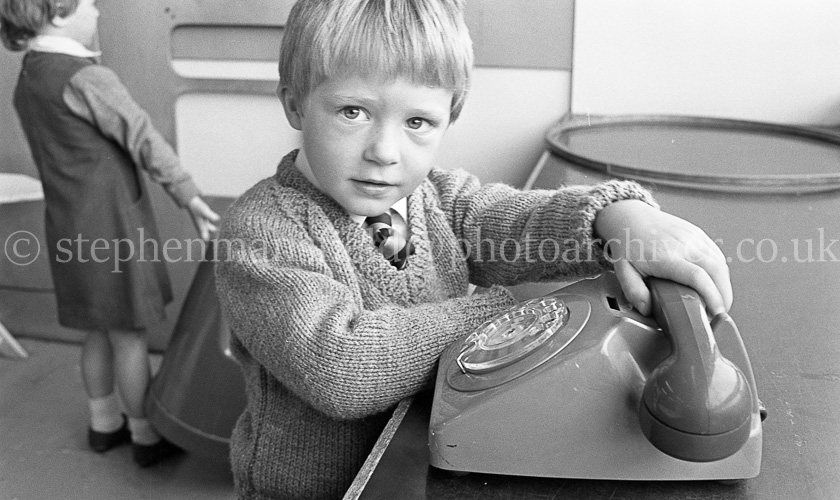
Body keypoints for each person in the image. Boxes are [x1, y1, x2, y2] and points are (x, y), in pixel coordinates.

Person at [214, 0, 732, 498]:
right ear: (294, 104)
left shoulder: (437, 197)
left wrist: (619, 218)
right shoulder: (261, 232)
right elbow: (341, 364)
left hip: (425, 462)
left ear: (449, 117)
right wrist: (512, 316)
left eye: (418, 123)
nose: (384, 152)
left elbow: (521, 223)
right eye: (353, 112)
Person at [1, 0, 220, 467]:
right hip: (111, 226)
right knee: (129, 336)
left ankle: (103, 424)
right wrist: (189, 195)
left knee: (96, 331)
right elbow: (142, 135)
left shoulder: (30, 76)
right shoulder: (85, 77)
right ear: (58, 13)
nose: (97, 13)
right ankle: (144, 436)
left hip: (67, 223)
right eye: (88, 4)